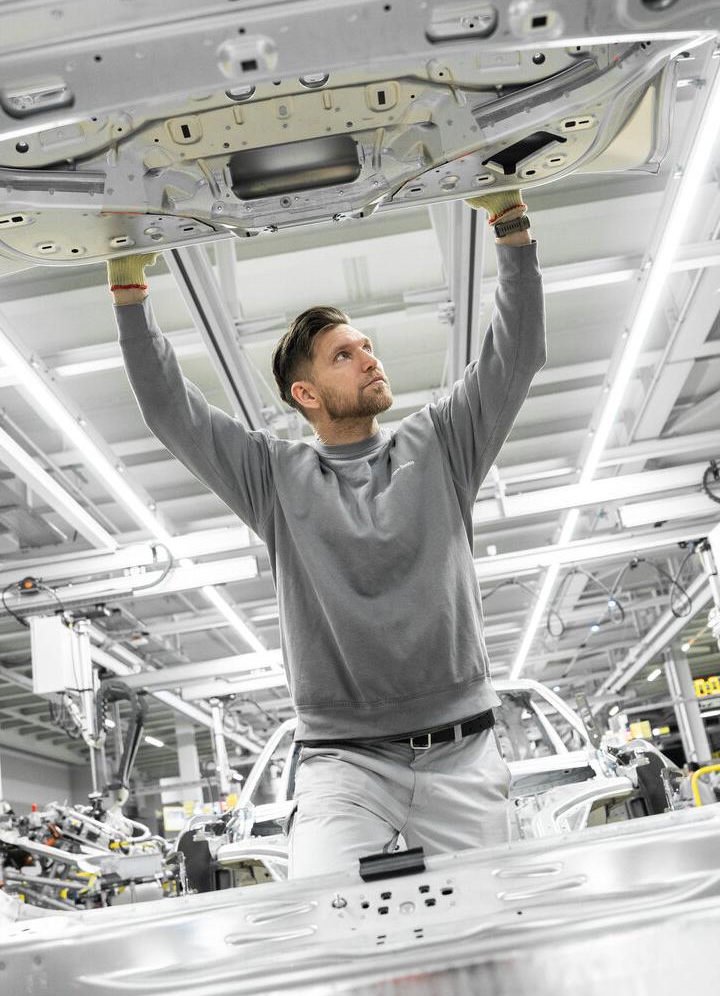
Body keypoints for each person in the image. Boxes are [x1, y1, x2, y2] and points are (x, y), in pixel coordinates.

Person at [108, 188, 546, 877]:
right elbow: (171, 411)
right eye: (345, 355)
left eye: (368, 346)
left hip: (464, 753)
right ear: (305, 395)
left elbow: (514, 356)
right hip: (344, 763)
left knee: (496, 930)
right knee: (327, 912)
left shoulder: (441, 443)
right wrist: (128, 289)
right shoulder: (273, 476)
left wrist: (511, 225)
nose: (370, 358)